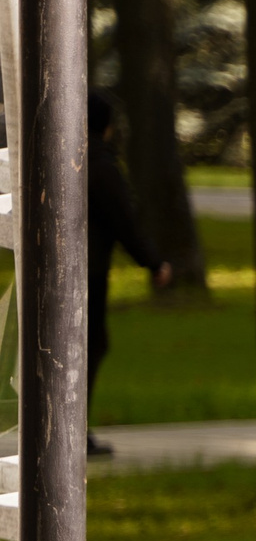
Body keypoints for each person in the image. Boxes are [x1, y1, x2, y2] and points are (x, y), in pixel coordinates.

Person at [87, 91, 174, 457]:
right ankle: (69, 430)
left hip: (52, 272)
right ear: (106, 127)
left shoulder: (56, 156)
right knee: (89, 346)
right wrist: (154, 263)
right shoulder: (101, 165)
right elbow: (125, 221)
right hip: (87, 272)